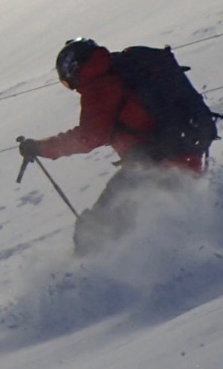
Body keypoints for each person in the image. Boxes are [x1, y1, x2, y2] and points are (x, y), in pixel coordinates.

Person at [18, 38, 207, 254]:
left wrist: (41, 148)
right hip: (185, 154)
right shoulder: (119, 69)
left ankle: (94, 273)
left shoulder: (100, 84)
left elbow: (90, 136)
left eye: (67, 81)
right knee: (160, 221)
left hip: (153, 164)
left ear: (73, 69)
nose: (72, 86)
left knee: (98, 227)